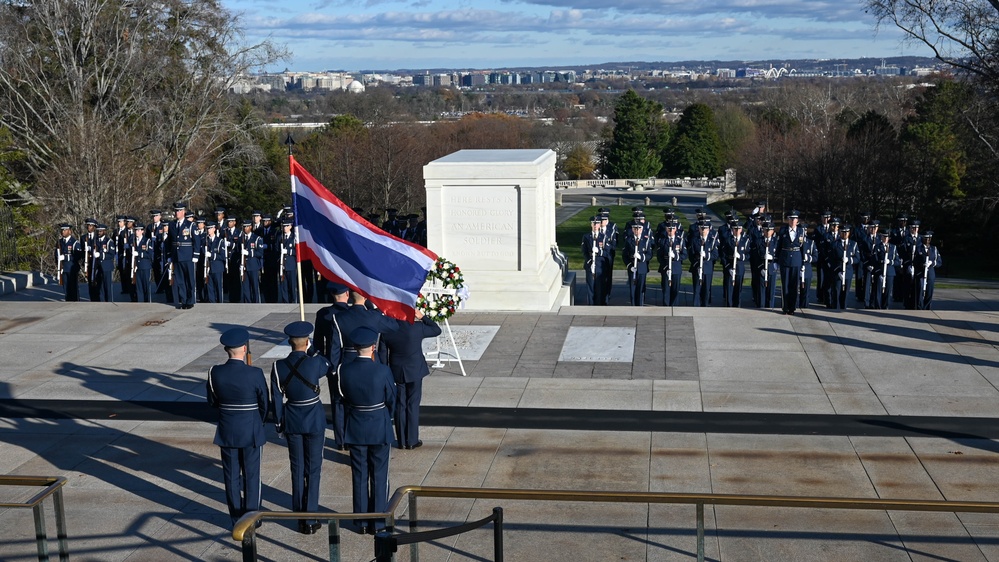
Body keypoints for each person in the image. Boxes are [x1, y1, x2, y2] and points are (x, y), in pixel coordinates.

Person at [271, 321, 331, 535]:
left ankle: (298, 516)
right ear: (307, 342)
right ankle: (311, 517)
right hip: (313, 419)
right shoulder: (314, 364)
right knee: (313, 469)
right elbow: (328, 365)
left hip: (293, 420)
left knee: (297, 468)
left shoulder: (278, 367)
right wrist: (313, 350)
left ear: (289, 343)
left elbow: (276, 399)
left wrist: (279, 423)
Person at [207, 327, 269, 528]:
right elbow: (264, 404)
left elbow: (212, 401)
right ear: (244, 348)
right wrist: (257, 421)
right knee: (252, 476)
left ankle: (236, 519)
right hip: (250, 429)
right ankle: (251, 519)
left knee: (231, 477)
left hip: (227, 429)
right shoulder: (255, 373)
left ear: (227, 350)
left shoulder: (214, 372)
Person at [339, 327, 396, 535]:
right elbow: (391, 398)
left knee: (359, 475)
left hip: (355, 425)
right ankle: (378, 522)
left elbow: (342, 397)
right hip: (378, 426)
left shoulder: (344, 369)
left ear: (354, 348)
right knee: (379, 475)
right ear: (373, 347)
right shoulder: (382, 370)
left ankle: (361, 522)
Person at [381, 309, 442, 449]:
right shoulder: (416, 327)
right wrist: (422, 316)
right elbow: (436, 329)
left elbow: (383, 355)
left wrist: (385, 375)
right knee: (412, 404)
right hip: (415, 370)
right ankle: (412, 440)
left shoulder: (387, 331)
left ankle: (402, 441)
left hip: (396, 371)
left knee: (400, 405)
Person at [314, 283, 351, 450]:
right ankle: (350, 437)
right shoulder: (351, 313)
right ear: (347, 295)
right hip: (351, 363)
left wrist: (324, 360)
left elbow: (317, 342)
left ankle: (340, 439)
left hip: (332, 363)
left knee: (337, 402)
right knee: (351, 401)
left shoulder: (323, 314)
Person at [168, 202, 201, 309]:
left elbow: (197, 241)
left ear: (183, 212)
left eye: (179, 211)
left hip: (188, 256)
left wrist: (196, 255)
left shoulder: (190, 225)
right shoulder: (172, 225)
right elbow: (169, 242)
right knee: (180, 280)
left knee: (189, 279)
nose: (177, 213)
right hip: (177, 257)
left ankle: (190, 300)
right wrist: (169, 255)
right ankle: (184, 300)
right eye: (176, 211)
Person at [776, 210, 806, 315]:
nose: (793, 221)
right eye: (791, 219)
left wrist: (803, 263)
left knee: (794, 286)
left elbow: (803, 247)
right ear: (788, 220)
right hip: (785, 259)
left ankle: (792, 308)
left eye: (794, 219)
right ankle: (785, 307)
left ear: (797, 220)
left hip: (796, 260)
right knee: (785, 285)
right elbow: (779, 246)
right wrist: (776, 260)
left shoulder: (801, 231)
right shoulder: (783, 230)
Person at [656, 219, 686, 306]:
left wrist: (676, 256)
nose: (671, 230)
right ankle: (666, 306)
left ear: (675, 229)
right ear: (666, 229)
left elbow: (684, 255)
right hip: (665, 267)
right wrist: (665, 265)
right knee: (666, 289)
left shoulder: (680, 240)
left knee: (675, 289)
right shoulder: (662, 241)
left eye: (672, 228)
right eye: (669, 228)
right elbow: (659, 256)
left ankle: (674, 306)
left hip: (676, 268)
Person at [582, 216, 611, 306]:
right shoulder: (586, 237)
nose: (595, 225)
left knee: (599, 288)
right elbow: (584, 251)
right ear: (591, 224)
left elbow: (607, 252)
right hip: (591, 265)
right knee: (590, 287)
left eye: (597, 223)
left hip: (599, 266)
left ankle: (598, 306)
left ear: (599, 225)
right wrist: (589, 262)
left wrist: (599, 251)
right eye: (593, 223)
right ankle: (591, 305)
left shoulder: (603, 237)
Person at [623, 222, 653, 306]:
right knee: (632, 289)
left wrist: (642, 257)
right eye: (635, 228)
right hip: (632, 268)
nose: (637, 230)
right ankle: (633, 306)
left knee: (640, 289)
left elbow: (649, 254)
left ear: (642, 229)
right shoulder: (629, 240)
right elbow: (624, 255)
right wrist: (629, 265)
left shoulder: (646, 240)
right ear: (632, 229)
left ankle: (640, 306)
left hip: (642, 267)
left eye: (639, 228)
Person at [56, 223, 82, 301]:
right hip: (63, 268)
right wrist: (58, 262)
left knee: (73, 287)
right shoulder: (59, 242)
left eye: (65, 230)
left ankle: (75, 301)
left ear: (70, 231)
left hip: (72, 268)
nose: (63, 232)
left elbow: (78, 256)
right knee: (66, 287)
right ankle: (68, 301)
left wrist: (66, 257)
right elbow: (56, 254)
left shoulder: (74, 242)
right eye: (62, 230)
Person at [93, 224, 117, 302]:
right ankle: (101, 302)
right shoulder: (96, 241)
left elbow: (111, 254)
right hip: (98, 267)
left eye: (100, 231)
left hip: (107, 267)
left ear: (104, 231)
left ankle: (109, 301)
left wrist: (101, 255)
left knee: (107, 286)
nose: (99, 233)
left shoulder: (109, 241)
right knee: (100, 286)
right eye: (98, 231)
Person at [132, 224, 155, 303]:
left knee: (146, 286)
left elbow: (150, 254)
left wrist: (139, 254)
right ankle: (140, 303)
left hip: (145, 266)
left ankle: (147, 302)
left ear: (142, 231)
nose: (136, 232)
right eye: (136, 230)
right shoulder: (134, 241)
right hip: (137, 267)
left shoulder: (147, 241)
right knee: (139, 287)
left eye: (138, 230)